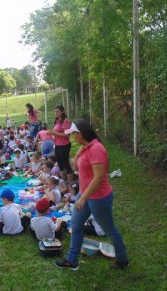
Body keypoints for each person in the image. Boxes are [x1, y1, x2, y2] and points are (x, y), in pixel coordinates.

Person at [55, 119, 129, 271]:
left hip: (98, 198)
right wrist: (77, 153)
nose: (72, 137)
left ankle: (122, 259)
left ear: (80, 134)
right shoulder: (86, 147)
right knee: (76, 226)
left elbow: (99, 177)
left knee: (109, 229)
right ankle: (72, 260)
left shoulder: (96, 149)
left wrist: (82, 197)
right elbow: (76, 168)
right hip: (85, 194)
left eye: (73, 134)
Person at [47, 104, 73, 183]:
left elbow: (67, 134)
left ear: (62, 111)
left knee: (65, 164)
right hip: (57, 145)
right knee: (60, 164)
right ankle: (63, 181)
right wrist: (51, 134)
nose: (56, 113)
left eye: (57, 111)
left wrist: (54, 133)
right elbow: (55, 132)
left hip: (64, 145)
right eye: (55, 112)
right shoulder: (56, 120)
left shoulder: (66, 121)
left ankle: (70, 183)